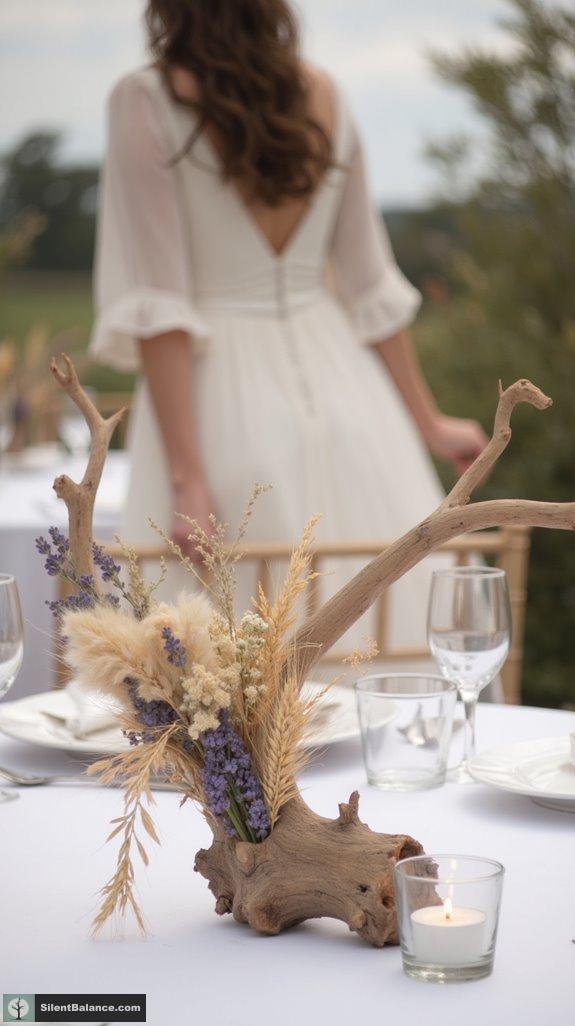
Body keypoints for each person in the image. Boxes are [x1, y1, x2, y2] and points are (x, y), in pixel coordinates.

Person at [90, 0, 487, 650]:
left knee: (219, 671)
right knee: (386, 635)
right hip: (353, 401)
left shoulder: (142, 98)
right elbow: (368, 286)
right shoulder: (323, 91)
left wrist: (187, 479)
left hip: (218, 404)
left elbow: (160, 310)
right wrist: (427, 423)